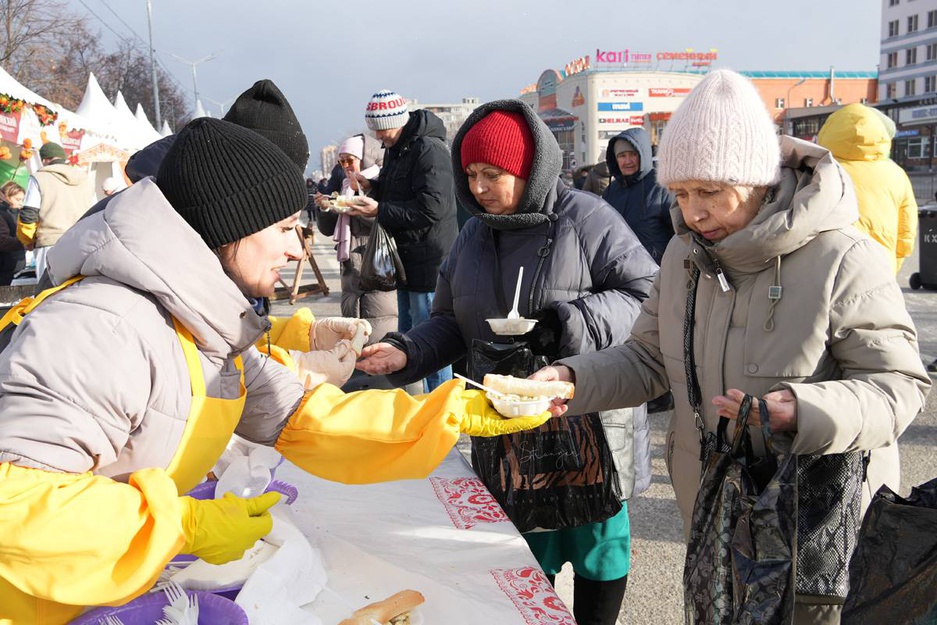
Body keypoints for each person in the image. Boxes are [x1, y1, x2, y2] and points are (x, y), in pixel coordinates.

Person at [0, 118, 551, 624]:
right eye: (285, 227)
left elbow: (303, 415)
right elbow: (14, 506)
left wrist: (450, 412)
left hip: (92, 596)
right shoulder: (105, 326)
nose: (297, 248)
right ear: (229, 226)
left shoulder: (204, 324)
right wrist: (180, 526)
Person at [533, 69, 930, 624]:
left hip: (814, 531)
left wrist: (808, 410)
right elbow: (649, 357)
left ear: (759, 180)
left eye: (711, 193)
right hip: (713, 517)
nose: (693, 212)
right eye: (680, 193)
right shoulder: (683, 257)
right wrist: (572, 379)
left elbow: (900, 386)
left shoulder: (842, 257)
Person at [357, 100, 659, 625]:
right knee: (523, 550)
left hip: (583, 412)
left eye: (492, 174)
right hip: (508, 426)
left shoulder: (588, 218)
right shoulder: (473, 234)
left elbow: (647, 295)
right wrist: (406, 351)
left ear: (528, 169)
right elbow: (451, 321)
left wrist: (569, 322)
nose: (478, 188)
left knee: (599, 544)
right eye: (471, 174)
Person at [349, 89, 458, 392]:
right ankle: (415, 408)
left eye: (380, 129)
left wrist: (380, 210)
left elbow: (432, 207)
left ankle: (438, 410)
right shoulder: (398, 146)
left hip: (429, 260)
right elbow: (396, 189)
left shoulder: (428, 149)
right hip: (406, 259)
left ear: (395, 120)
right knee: (407, 339)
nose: (377, 137)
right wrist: (370, 185)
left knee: (430, 343)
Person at [818, 103, 918, 274]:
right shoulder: (897, 174)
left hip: (824, 266)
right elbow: (906, 230)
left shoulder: (817, 169)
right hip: (879, 267)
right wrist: (893, 264)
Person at [315, 134, 397, 342]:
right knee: (354, 336)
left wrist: (360, 210)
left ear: (364, 158)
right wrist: (326, 208)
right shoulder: (343, 186)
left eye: (350, 160)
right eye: (341, 161)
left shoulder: (382, 182)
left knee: (379, 327)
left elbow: (391, 223)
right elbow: (327, 230)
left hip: (376, 265)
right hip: (351, 273)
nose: (346, 166)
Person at [16, 141, 94, 278]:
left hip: (50, 243)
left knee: (48, 292)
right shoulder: (85, 178)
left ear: (45, 159)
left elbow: (28, 214)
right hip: (82, 243)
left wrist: (27, 240)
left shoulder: (39, 178)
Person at [602, 128, 674, 265]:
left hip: (656, 272)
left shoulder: (661, 186)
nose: (627, 161)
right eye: (622, 155)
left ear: (643, 155)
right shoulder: (610, 192)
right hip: (620, 272)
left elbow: (679, 235)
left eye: (632, 154)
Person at [0, 182, 26, 285]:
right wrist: (25, 241)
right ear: (7, 197)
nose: (21, 203)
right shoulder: (3, 214)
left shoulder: (18, 214)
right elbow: (2, 240)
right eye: (18, 199)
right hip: (4, 266)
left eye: (22, 200)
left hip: (12, 266)